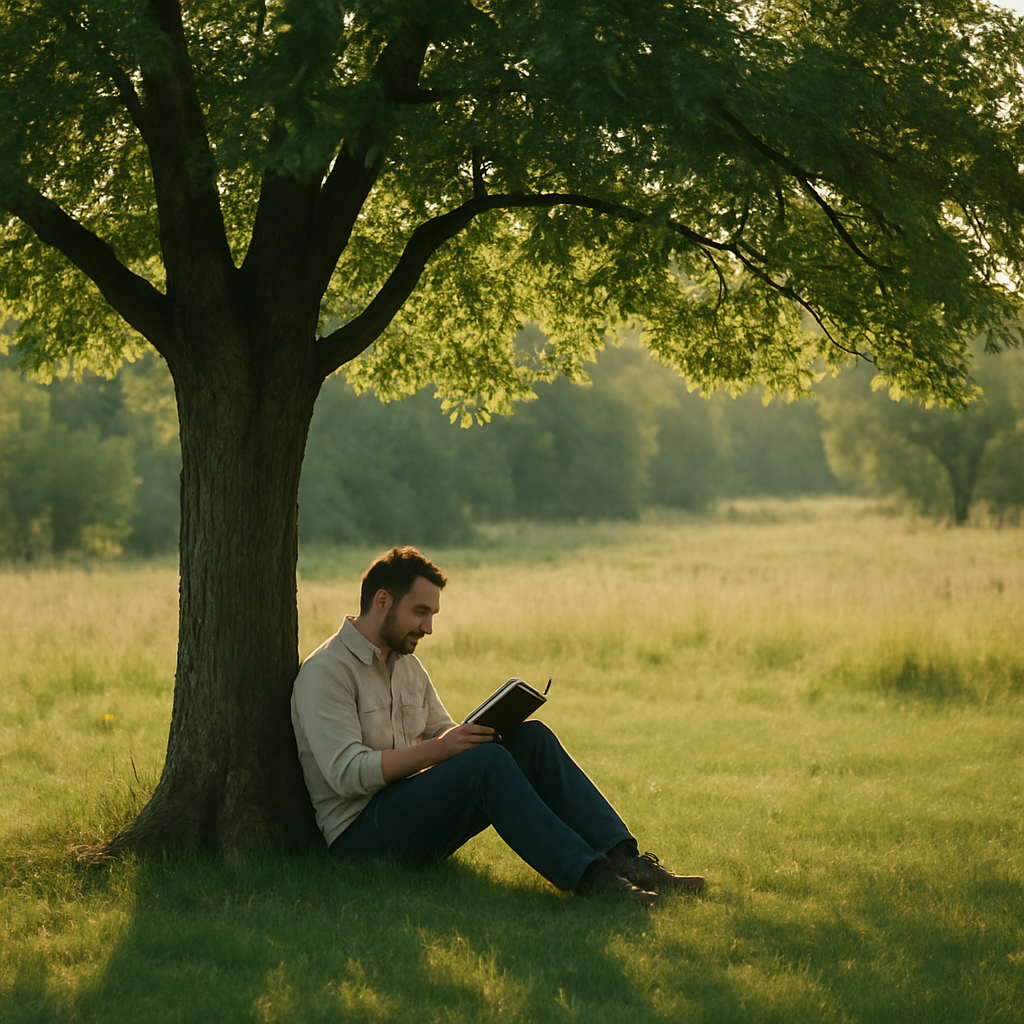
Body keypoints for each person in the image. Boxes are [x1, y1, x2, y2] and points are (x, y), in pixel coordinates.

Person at [290, 545, 705, 906]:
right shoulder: (326, 671)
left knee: (532, 739)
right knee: (486, 764)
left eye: (432, 614)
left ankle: (626, 860)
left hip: (412, 812)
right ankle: (593, 879)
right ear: (382, 601)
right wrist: (445, 750)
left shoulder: (407, 666)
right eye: (420, 612)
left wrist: (480, 732)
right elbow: (346, 774)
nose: (429, 628)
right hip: (361, 838)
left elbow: (441, 733)